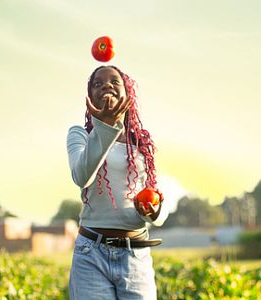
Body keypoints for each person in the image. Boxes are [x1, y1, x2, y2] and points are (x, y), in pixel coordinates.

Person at [67, 65, 168, 300]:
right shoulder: (79, 135)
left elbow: (158, 205)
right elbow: (82, 177)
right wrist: (105, 126)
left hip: (135, 254)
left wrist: (154, 212)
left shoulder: (142, 144)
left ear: (127, 94)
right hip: (91, 252)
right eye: (98, 83)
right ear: (89, 96)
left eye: (114, 81)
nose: (106, 85)